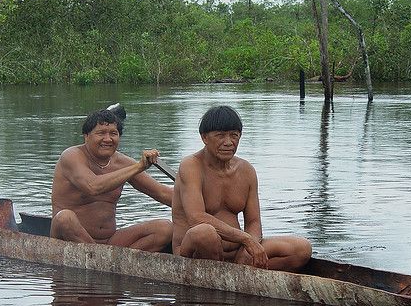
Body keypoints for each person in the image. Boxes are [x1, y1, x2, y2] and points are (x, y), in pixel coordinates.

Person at [172, 105, 312, 272]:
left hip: (236, 252)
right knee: (205, 233)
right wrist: (246, 239)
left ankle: (241, 270)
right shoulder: (190, 166)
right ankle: (232, 273)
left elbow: (253, 221)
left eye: (234, 135)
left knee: (301, 248)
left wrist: (249, 247)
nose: (229, 142)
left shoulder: (246, 170)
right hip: (193, 253)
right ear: (204, 138)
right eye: (220, 136)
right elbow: (197, 218)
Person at [51, 108, 173, 252]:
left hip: (109, 241)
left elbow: (162, 193)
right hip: (70, 238)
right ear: (86, 136)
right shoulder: (72, 156)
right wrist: (139, 166)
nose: (108, 139)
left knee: (165, 228)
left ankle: (115, 262)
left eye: (113, 134)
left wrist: (201, 204)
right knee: (65, 218)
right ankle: (103, 260)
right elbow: (93, 186)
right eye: (101, 133)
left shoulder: (123, 163)